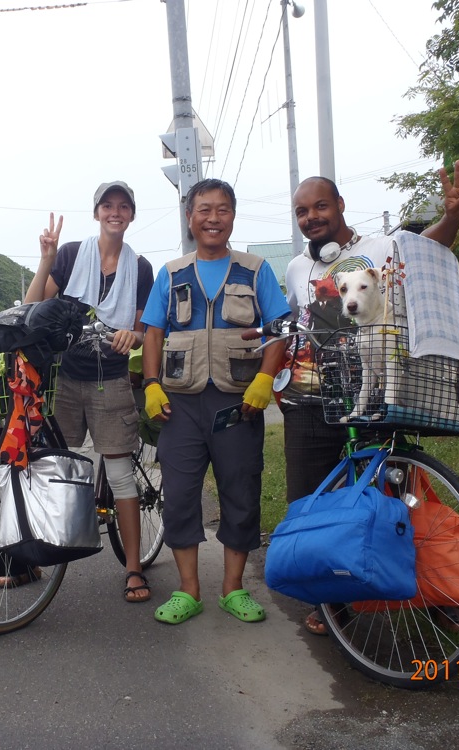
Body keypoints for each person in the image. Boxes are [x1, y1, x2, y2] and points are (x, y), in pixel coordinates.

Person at [283, 160, 459, 635]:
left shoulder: (380, 247)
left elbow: (430, 247)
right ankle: (330, 600)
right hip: (314, 398)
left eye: (321, 206)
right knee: (316, 500)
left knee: (398, 498)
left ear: (341, 206)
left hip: (377, 397)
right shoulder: (296, 267)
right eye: (302, 211)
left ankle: (437, 592)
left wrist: (452, 216)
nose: (311, 217)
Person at [140, 178, 290, 625]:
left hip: (239, 404)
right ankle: (189, 591)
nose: (212, 218)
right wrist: (151, 384)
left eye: (221, 209)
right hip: (181, 406)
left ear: (232, 216)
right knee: (180, 497)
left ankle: (233, 589)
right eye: (203, 210)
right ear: (190, 218)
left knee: (241, 493)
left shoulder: (255, 269)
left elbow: (279, 329)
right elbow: (152, 332)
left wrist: (264, 380)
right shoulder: (170, 273)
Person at [22, 180, 156, 602]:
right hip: (67, 377)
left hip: (112, 377)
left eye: (123, 206)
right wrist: (45, 259)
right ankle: (35, 555)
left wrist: (132, 337)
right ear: (97, 212)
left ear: (131, 215)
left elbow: (142, 327)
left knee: (118, 475)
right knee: (50, 469)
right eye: (107, 205)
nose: (115, 212)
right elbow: (32, 308)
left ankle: (134, 568)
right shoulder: (69, 255)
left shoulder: (142, 268)